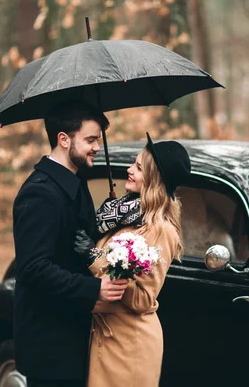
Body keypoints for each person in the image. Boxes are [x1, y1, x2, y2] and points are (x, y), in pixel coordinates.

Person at [12, 101, 129, 387]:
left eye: (98, 140)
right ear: (63, 139)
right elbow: (33, 269)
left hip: (74, 331)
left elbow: (76, 241)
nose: (96, 147)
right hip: (49, 341)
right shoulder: (39, 193)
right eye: (90, 140)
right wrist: (95, 288)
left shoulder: (77, 184)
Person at [74, 133, 191, 387]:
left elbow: (142, 299)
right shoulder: (126, 214)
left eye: (138, 167)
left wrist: (93, 256)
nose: (129, 170)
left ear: (154, 179)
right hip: (107, 335)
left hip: (130, 342)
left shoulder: (161, 230)